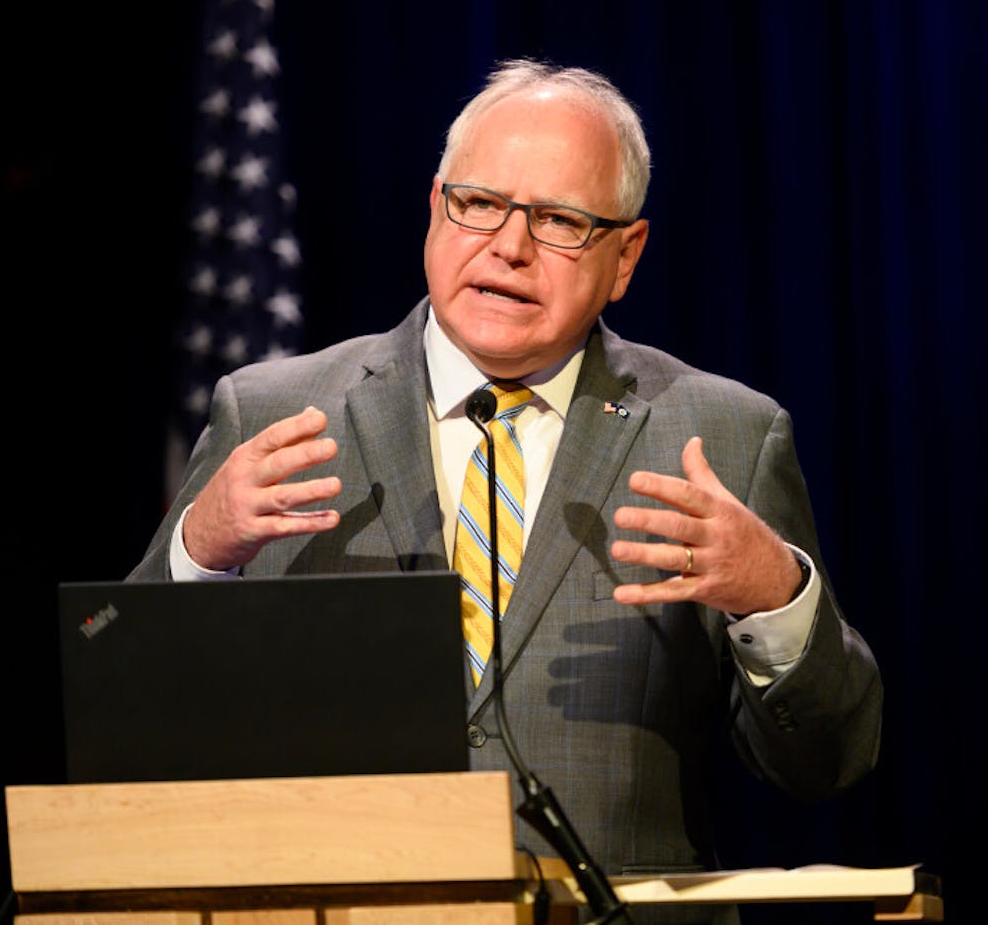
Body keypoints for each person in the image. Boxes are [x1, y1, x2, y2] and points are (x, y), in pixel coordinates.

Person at [132, 59, 881, 922]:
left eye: (560, 220)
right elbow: (128, 737)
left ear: (625, 255)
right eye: (479, 204)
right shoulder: (271, 410)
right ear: (435, 206)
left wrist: (776, 602)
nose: (509, 247)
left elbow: (830, 762)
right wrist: (199, 554)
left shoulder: (723, 436)